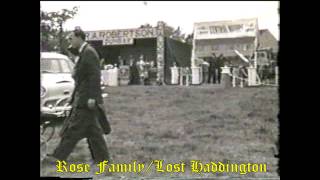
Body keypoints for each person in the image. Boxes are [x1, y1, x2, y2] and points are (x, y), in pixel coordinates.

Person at [43, 28, 111, 165]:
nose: (70, 41)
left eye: (71, 38)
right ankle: (102, 159)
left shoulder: (89, 53)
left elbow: (94, 76)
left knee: (73, 129)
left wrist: (93, 97)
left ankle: (58, 157)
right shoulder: (84, 52)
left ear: (79, 38)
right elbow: (81, 79)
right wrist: (72, 97)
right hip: (82, 97)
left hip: (87, 99)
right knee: (93, 132)